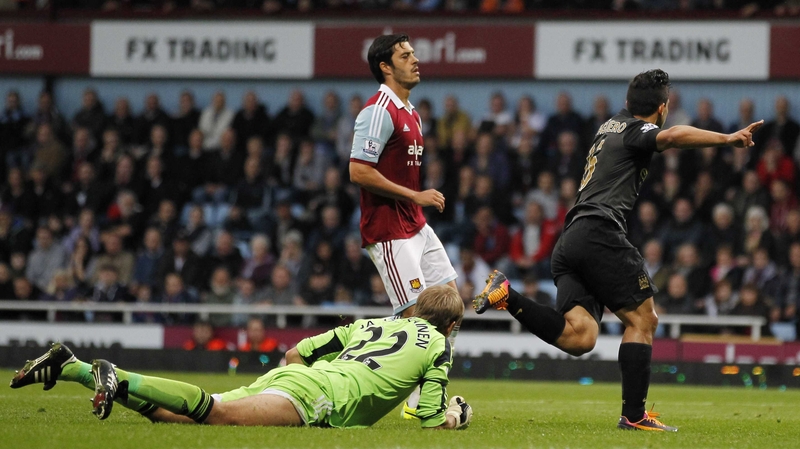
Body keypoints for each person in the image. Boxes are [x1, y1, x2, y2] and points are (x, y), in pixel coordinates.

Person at [475, 69, 763, 432]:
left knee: (579, 337)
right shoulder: (636, 131)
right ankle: (635, 415)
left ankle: (506, 296)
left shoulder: (610, 124)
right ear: (663, 108)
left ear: (627, 103)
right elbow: (672, 136)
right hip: (599, 232)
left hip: (571, 239)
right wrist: (727, 138)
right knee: (644, 320)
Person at [10, 284, 472, 430]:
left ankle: (71, 366)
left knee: (183, 420)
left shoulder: (375, 322)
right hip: (321, 395)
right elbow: (429, 417)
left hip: (299, 379)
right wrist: (457, 415)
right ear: (450, 326)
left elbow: (296, 352)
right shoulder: (438, 345)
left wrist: (292, 386)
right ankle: (117, 375)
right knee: (219, 414)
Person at [349, 34, 461, 419]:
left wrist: (415, 204)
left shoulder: (410, 112)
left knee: (450, 304)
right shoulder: (379, 110)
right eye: (406, 55)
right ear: (385, 66)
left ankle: (424, 393)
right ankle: (406, 397)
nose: (416, 59)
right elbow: (358, 170)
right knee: (414, 316)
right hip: (388, 231)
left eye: (414, 52)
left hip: (415, 225)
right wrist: (415, 196)